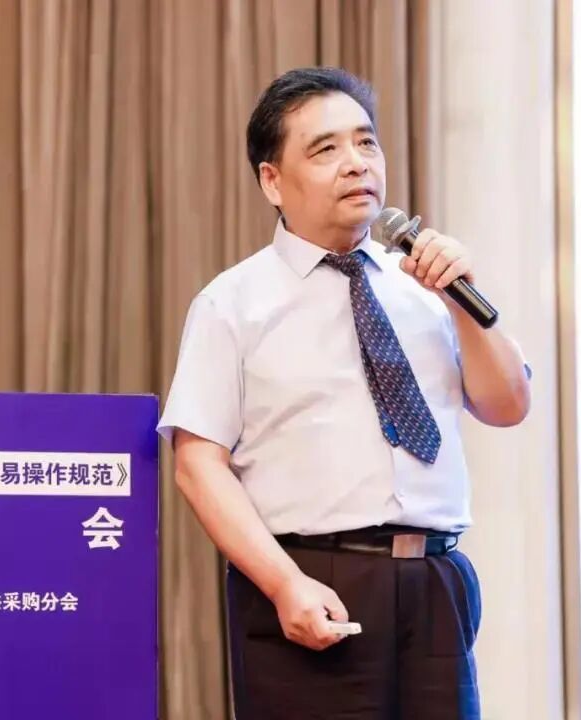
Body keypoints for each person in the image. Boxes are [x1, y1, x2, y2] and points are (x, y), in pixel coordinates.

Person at [157, 67, 532, 719]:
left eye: (366, 142)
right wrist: (283, 583)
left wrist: (462, 300)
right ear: (273, 181)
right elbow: (197, 463)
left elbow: (508, 405)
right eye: (326, 149)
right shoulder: (233, 302)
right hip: (311, 578)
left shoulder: (424, 285)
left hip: (435, 581)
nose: (357, 163)